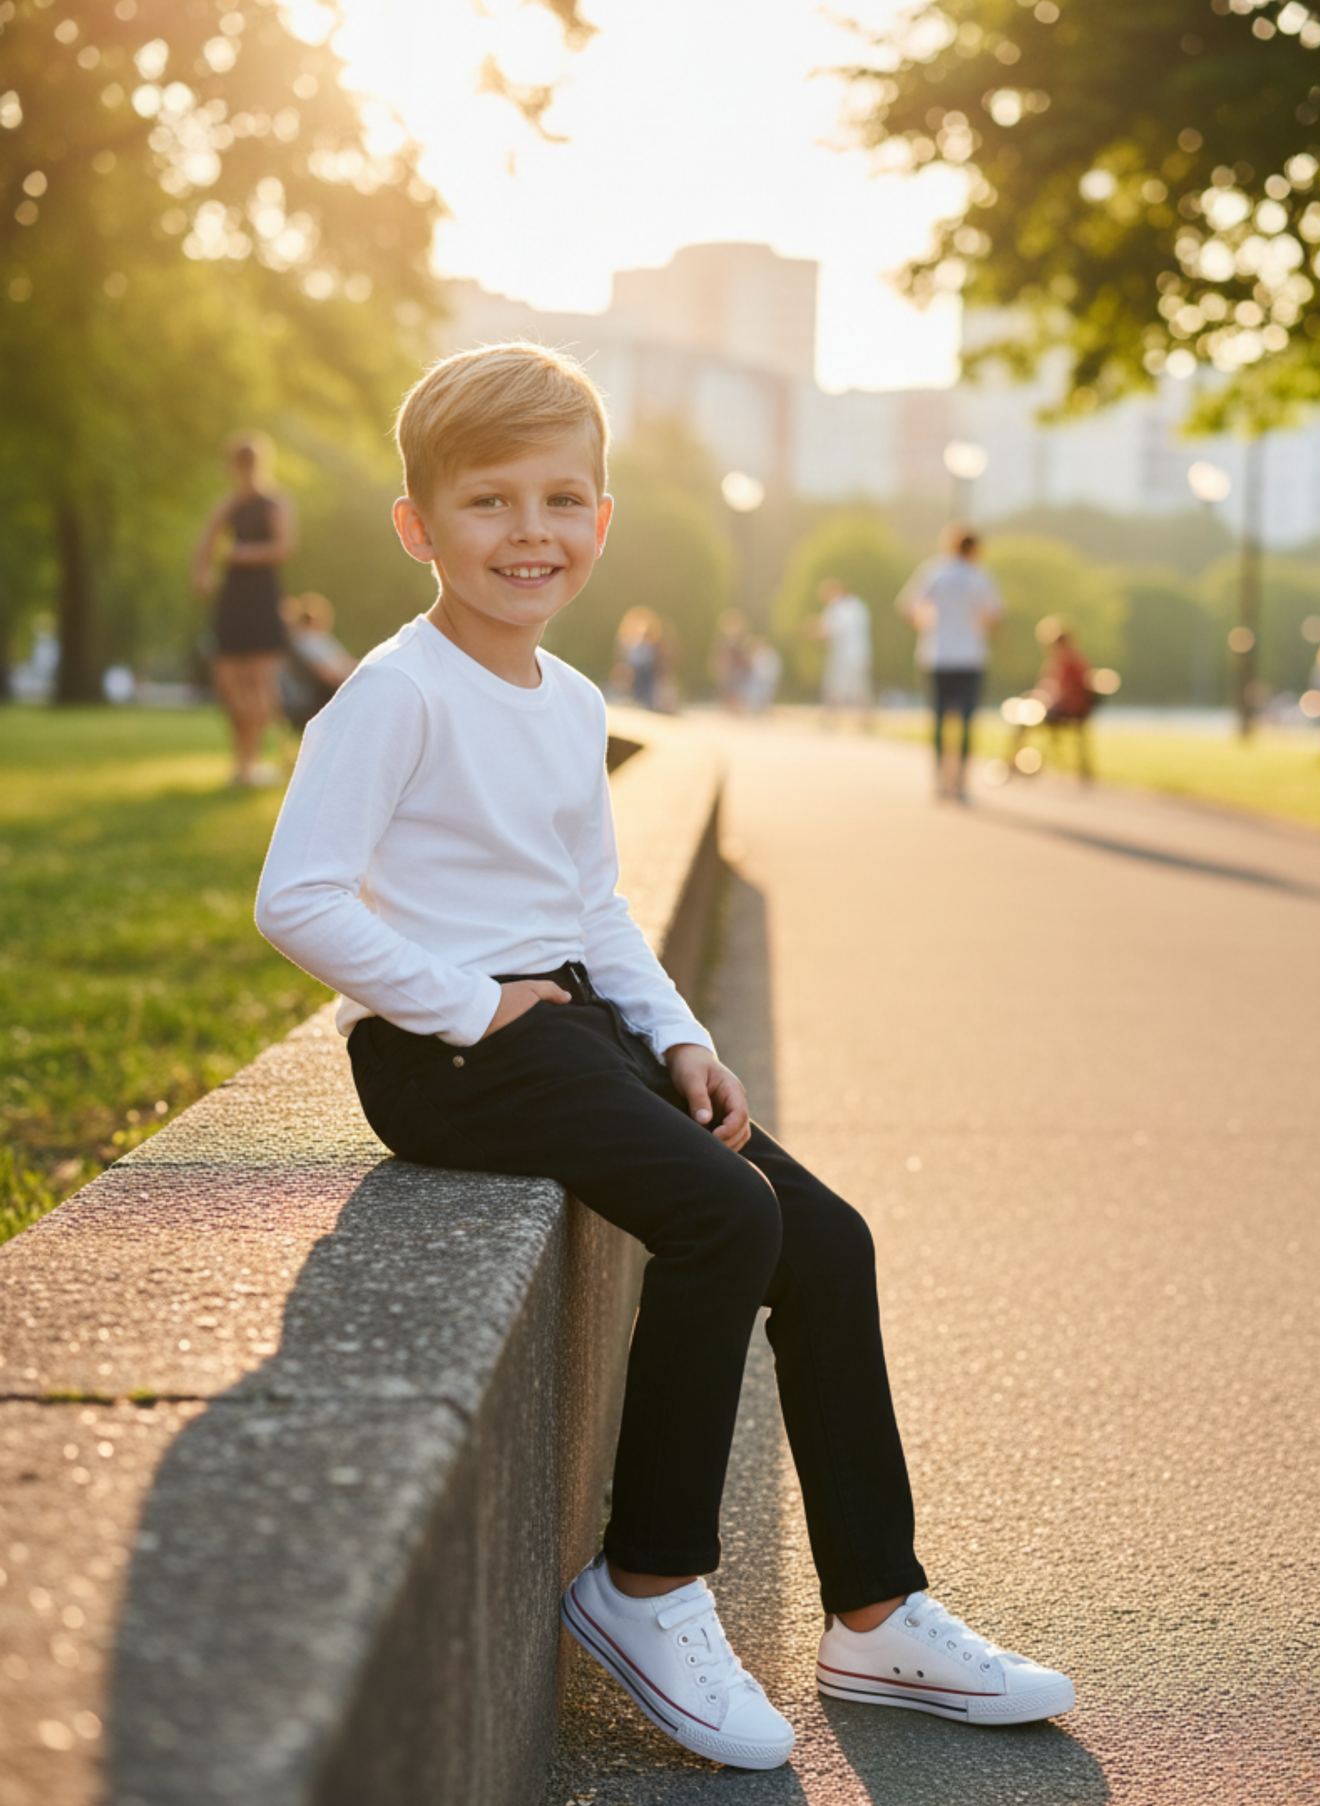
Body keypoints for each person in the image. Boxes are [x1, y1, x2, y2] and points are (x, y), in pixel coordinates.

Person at [254, 344, 1075, 1773]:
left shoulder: (570, 702)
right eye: (488, 502)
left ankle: (876, 1612)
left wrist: (681, 1035)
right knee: (724, 1212)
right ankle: (644, 1583)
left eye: (560, 499)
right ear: (417, 526)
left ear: (602, 521)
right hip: (451, 1052)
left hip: (570, 1023)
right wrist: (465, 998)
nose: (529, 532)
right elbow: (299, 899)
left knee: (826, 1239)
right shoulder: (398, 692)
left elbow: (591, 909)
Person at [191, 434, 295, 786]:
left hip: (261, 597)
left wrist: (239, 554)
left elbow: (282, 547)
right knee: (229, 685)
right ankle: (242, 762)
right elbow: (205, 544)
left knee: (260, 682)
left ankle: (254, 763)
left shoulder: (274, 503)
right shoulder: (229, 505)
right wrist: (202, 573)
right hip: (232, 599)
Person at [897, 526, 1003, 801]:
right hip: (970, 657)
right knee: (967, 722)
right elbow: (994, 615)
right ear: (976, 549)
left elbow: (908, 605)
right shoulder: (979, 577)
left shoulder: (935, 572)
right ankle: (961, 783)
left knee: (939, 720)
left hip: (938, 655)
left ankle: (940, 781)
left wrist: (926, 622)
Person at [1013, 616, 1096, 782]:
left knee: (1024, 720)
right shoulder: (1060, 662)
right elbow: (1047, 689)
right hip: (1062, 708)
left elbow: (1067, 693)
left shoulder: (1072, 663)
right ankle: (1016, 762)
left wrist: (1044, 701)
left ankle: (1013, 763)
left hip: (1069, 711)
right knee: (1024, 712)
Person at [279, 592, 358, 732]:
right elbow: (324, 674)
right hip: (328, 691)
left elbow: (342, 660)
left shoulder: (321, 638)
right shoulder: (306, 642)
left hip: (343, 679)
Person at [810, 577, 873, 728]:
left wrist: (814, 630)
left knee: (833, 686)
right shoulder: (858, 606)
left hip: (842, 656)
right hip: (860, 654)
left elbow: (831, 632)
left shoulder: (836, 608)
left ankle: (829, 719)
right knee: (860, 688)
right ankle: (866, 720)